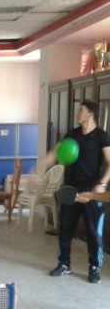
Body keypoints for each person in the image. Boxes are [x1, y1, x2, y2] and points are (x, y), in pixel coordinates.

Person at [49, 101, 110, 284]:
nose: (77, 113)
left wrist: (102, 184)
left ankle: (94, 268)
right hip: (71, 190)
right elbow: (56, 152)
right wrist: (42, 165)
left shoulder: (102, 136)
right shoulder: (72, 134)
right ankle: (64, 263)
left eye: (80, 110)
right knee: (65, 229)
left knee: (93, 232)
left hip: (92, 191)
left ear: (90, 114)